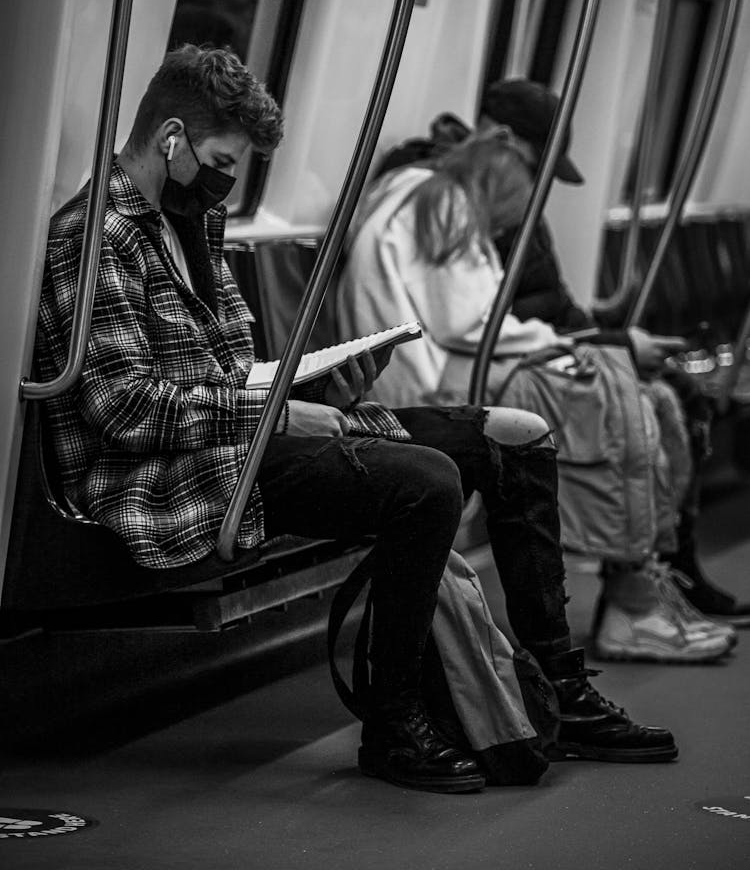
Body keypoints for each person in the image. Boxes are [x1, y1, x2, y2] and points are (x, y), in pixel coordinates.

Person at [36, 45, 679, 796]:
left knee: (510, 438)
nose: (226, 182)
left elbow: (235, 361)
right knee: (426, 484)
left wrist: (324, 389)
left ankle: (560, 689)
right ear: (170, 137)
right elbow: (125, 409)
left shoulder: (194, 223)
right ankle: (395, 724)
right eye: (220, 160)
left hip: (236, 437)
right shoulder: (96, 237)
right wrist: (274, 416)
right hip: (163, 477)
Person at [337, 120, 736, 664]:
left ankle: (640, 587)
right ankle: (631, 604)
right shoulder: (442, 203)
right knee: (610, 396)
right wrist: (553, 342)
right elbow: (467, 320)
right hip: (428, 377)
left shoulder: (420, 193)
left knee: (637, 395)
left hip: (442, 362)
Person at [480, 77, 750, 628]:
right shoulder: (488, 205)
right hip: (534, 362)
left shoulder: (514, 204)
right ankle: (643, 580)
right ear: (502, 140)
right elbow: (501, 325)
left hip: (556, 346)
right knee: (657, 400)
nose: (536, 181)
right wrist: (619, 343)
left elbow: (547, 306)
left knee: (677, 392)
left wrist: (606, 325)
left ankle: (666, 564)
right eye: (534, 162)